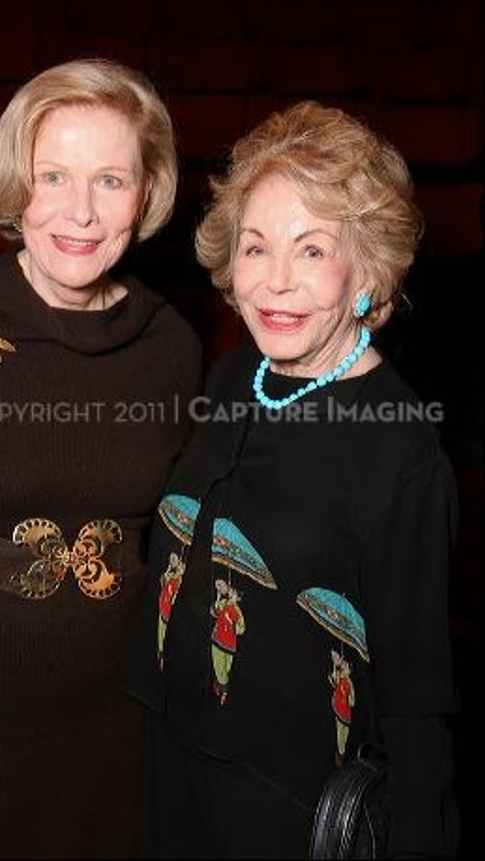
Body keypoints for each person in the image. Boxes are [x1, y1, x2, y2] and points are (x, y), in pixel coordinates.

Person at [124, 101, 460, 858]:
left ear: (367, 269)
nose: (275, 283)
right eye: (256, 247)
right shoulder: (233, 375)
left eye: (311, 251)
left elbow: (417, 701)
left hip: (287, 810)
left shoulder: (400, 451)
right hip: (172, 766)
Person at [0, 58, 202, 859]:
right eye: (53, 175)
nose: (82, 213)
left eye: (110, 180)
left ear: (148, 190)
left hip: (111, 727)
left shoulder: (171, 346)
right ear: (12, 183)